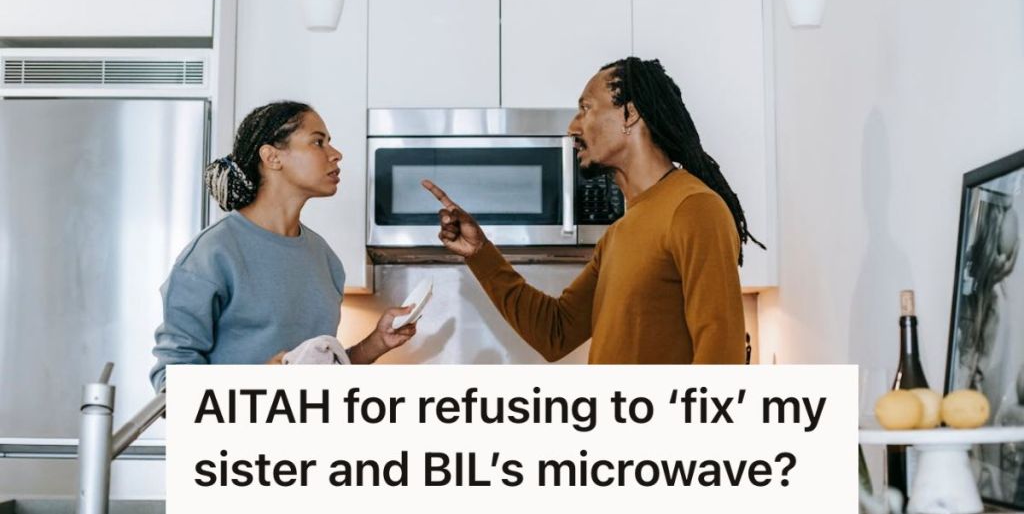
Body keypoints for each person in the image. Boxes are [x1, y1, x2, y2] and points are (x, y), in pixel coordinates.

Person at [422, 57, 762, 364]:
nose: (573, 127)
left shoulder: (694, 208)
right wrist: (480, 253)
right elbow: (555, 332)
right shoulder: (619, 234)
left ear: (630, 114)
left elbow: (722, 357)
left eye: (586, 108)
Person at [150, 101, 416, 391]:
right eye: (318, 142)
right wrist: (258, 386)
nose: (336, 155)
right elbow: (170, 383)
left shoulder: (324, 258)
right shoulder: (212, 255)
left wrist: (375, 343)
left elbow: (316, 371)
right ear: (272, 157)